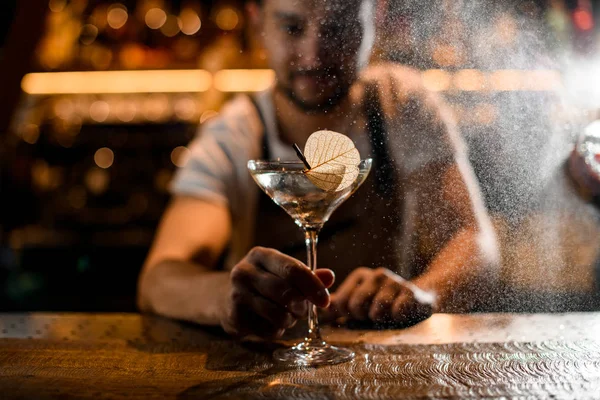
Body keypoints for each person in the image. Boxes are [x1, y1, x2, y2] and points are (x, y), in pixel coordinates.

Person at [136, 0, 499, 339]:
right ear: (258, 22)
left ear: (376, 17)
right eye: (293, 28)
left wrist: (423, 292)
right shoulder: (234, 136)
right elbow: (159, 280)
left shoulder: (400, 105)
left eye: (338, 29)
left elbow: (476, 243)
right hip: (267, 366)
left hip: (382, 360)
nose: (314, 54)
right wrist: (222, 297)